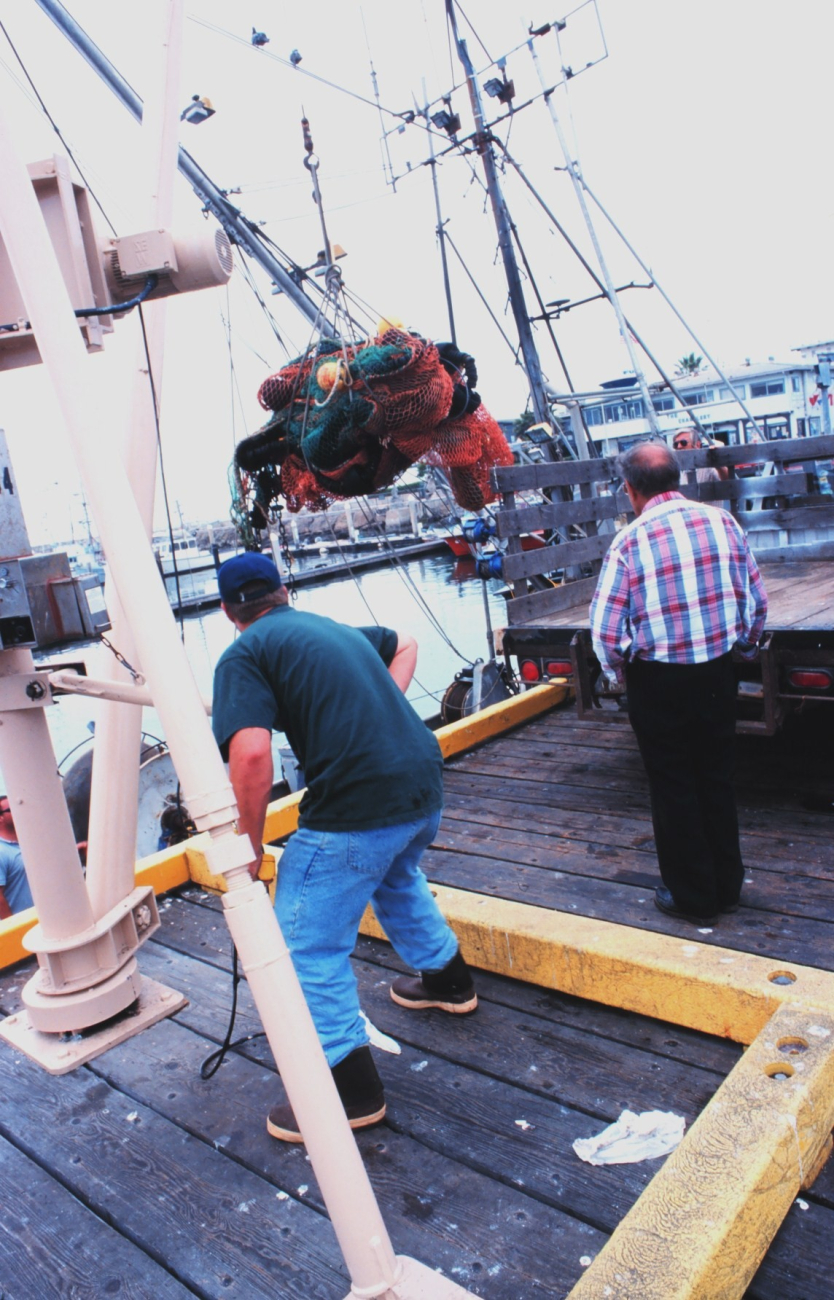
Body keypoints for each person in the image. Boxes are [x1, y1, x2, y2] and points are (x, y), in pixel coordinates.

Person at [211, 552, 477, 1142]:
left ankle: (347, 1091)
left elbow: (252, 756)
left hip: (359, 805)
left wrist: (248, 851)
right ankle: (448, 982)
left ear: (229, 611)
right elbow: (405, 642)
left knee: (303, 945)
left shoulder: (244, 654)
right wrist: (373, 711)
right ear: (284, 591)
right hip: (421, 787)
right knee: (396, 877)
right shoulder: (329, 628)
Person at [590, 442, 768, 925]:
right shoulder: (723, 523)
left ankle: (692, 896)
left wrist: (623, 674)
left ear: (631, 489)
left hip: (660, 679)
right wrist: (744, 651)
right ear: (678, 479)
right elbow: (756, 601)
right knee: (716, 776)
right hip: (716, 669)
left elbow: (606, 633)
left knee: (673, 784)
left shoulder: (628, 540)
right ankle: (727, 887)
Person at [0, 796, 34, 918]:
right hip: (23, 926)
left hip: (45, 920)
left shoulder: (28, 842)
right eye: (11, 809)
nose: (17, 811)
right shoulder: (2, 852)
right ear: (0, 818)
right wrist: (14, 931)